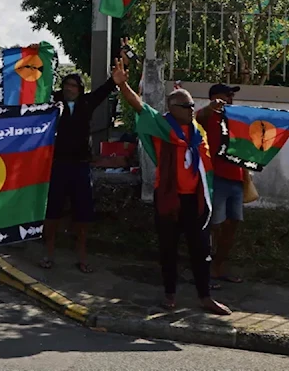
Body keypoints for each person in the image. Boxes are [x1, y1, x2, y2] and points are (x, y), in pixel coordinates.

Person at [113, 58, 230, 315]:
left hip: (195, 200)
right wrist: (123, 86)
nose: (191, 109)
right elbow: (140, 106)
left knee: (201, 249)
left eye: (192, 105)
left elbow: (201, 115)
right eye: (186, 106)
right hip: (169, 197)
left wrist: (210, 107)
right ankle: (170, 294)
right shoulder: (163, 126)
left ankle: (205, 296)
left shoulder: (196, 130)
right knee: (168, 248)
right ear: (173, 108)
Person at [40, 57, 121, 273]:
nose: (69, 89)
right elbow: (37, 91)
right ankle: (48, 253)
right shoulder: (54, 102)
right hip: (57, 165)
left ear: (80, 89)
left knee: (83, 215)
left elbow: (104, 91)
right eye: (66, 85)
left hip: (81, 166)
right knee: (52, 212)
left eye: (74, 86)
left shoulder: (86, 103)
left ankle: (82, 256)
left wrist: (115, 80)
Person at [197, 83, 244, 286]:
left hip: (237, 178)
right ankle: (205, 272)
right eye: (227, 95)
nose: (231, 98)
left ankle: (218, 267)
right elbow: (195, 119)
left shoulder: (236, 117)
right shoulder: (208, 117)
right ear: (215, 97)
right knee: (213, 225)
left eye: (232, 95)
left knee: (232, 224)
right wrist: (210, 107)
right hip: (216, 178)